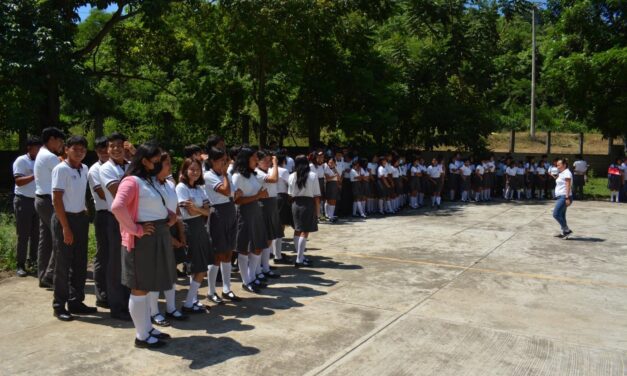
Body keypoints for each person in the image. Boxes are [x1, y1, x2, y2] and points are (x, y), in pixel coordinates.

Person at [111, 142, 177, 349]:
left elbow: (156, 204)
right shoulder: (132, 181)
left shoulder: (148, 180)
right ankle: (141, 335)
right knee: (139, 288)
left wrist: (169, 216)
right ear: (145, 161)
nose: (159, 164)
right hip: (142, 241)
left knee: (147, 286)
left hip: (156, 235)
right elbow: (117, 207)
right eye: (156, 160)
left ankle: (148, 328)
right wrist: (136, 230)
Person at [50, 135, 96, 321]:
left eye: (82, 149)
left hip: (80, 219)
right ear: (66, 149)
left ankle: (76, 301)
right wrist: (65, 227)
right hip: (65, 220)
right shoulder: (60, 169)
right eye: (75, 148)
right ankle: (59, 305)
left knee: (79, 262)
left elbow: (80, 192)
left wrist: (83, 207)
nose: (79, 152)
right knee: (63, 264)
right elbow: (57, 200)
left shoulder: (84, 168)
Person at [149, 152, 190, 324]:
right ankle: (154, 312)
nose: (170, 166)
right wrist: (166, 232)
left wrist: (180, 233)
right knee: (155, 274)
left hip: (171, 230)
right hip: (155, 231)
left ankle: (172, 308)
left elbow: (176, 212)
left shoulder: (169, 184)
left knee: (170, 271)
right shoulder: (149, 184)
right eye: (166, 163)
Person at [99, 132, 132, 321]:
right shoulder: (106, 169)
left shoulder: (129, 165)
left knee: (129, 261)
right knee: (116, 264)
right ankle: (117, 307)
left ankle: (129, 302)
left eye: (120, 145)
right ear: (107, 149)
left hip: (132, 219)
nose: (116, 149)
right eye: (112, 146)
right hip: (116, 219)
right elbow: (120, 192)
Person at [204, 147, 241, 301]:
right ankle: (211, 291)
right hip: (217, 213)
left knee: (228, 252)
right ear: (212, 161)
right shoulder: (209, 176)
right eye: (221, 161)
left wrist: (228, 180)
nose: (224, 163)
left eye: (226, 161)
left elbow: (236, 193)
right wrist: (226, 174)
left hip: (230, 211)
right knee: (217, 254)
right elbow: (227, 191)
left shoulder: (225, 175)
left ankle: (227, 288)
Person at [176, 158, 213, 310]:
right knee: (200, 267)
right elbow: (188, 211)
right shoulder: (181, 187)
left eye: (197, 169)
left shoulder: (199, 188)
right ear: (184, 170)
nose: (195, 172)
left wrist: (198, 209)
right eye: (191, 169)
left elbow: (208, 211)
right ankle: (189, 302)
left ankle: (193, 300)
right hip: (190, 227)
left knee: (198, 267)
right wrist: (200, 210)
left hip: (199, 226)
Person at [232, 147, 269, 293]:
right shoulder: (237, 177)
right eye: (254, 157)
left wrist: (260, 195)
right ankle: (246, 280)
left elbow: (256, 193)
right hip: (244, 213)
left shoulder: (253, 174)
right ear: (246, 159)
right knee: (245, 248)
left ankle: (252, 277)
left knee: (258, 246)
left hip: (256, 211)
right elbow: (237, 200)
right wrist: (257, 196)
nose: (256, 160)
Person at [34, 127, 65, 287]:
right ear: (52, 139)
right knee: (59, 238)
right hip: (49, 202)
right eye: (60, 141)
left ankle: (43, 275)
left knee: (45, 240)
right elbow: (65, 174)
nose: (61, 145)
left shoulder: (42, 154)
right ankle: (50, 274)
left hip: (41, 200)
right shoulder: (50, 157)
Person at [12, 136, 42, 277]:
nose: (39, 150)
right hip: (23, 201)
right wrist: (35, 176)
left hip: (37, 201)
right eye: (37, 147)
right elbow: (18, 181)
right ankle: (20, 264)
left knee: (37, 234)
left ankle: (33, 261)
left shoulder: (40, 161)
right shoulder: (21, 160)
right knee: (23, 235)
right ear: (29, 148)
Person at [87, 137, 110, 307]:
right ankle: (101, 294)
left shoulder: (116, 167)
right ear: (96, 152)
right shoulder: (94, 170)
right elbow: (102, 194)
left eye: (106, 148)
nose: (104, 152)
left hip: (119, 215)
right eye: (100, 149)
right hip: (104, 215)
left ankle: (114, 291)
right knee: (103, 255)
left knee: (115, 256)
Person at [288, 155, 321, 268]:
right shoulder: (313, 175)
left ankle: (300, 256)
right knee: (304, 232)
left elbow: (290, 194)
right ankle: (299, 259)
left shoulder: (292, 176)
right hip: (307, 204)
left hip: (295, 204)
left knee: (297, 230)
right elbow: (317, 196)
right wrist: (318, 211)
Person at [255, 151, 282, 280]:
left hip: (271, 203)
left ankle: (265, 267)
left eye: (268, 160)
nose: (267, 163)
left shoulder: (266, 171)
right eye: (264, 160)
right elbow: (274, 179)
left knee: (269, 238)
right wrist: (276, 163)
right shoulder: (257, 173)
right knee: (263, 239)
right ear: (257, 161)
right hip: (263, 205)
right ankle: (258, 269)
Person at [552, 158, 573, 239]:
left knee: (556, 214)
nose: (557, 167)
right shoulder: (562, 173)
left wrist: (567, 198)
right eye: (557, 165)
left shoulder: (567, 173)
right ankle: (564, 232)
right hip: (561, 196)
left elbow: (568, 185)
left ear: (564, 165)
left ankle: (567, 230)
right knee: (562, 215)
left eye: (559, 165)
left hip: (564, 197)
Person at [324, 156, 341, 222]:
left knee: (334, 200)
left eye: (332, 163)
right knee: (329, 200)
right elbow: (327, 178)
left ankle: (331, 215)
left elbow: (339, 178)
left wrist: (335, 170)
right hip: (329, 184)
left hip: (335, 184)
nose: (330, 164)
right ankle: (327, 215)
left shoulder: (334, 169)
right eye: (329, 162)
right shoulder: (326, 168)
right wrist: (334, 175)